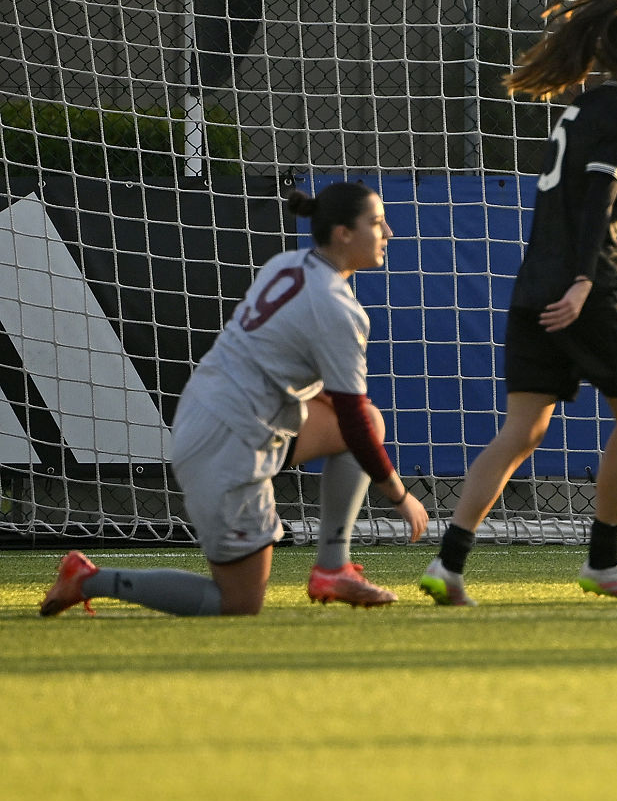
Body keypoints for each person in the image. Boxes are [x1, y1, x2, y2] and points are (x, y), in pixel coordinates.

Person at [419, 0, 617, 606]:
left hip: (537, 286)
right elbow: (592, 204)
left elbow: (594, 211)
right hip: (581, 290)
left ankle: (447, 564)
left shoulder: (586, 109)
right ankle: (606, 562)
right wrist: (586, 281)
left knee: (523, 430)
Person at [39, 183, 430, 618]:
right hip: (227, 444)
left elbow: (294, 367)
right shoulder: (337, 307)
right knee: (238, 603)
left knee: (367, 422)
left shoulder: (289, 264)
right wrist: (399, 495)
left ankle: (333, 568)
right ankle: (88, 578)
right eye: (376, 223)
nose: (388, 232)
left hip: (218, 414)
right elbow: (351, 418)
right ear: (342, 233)